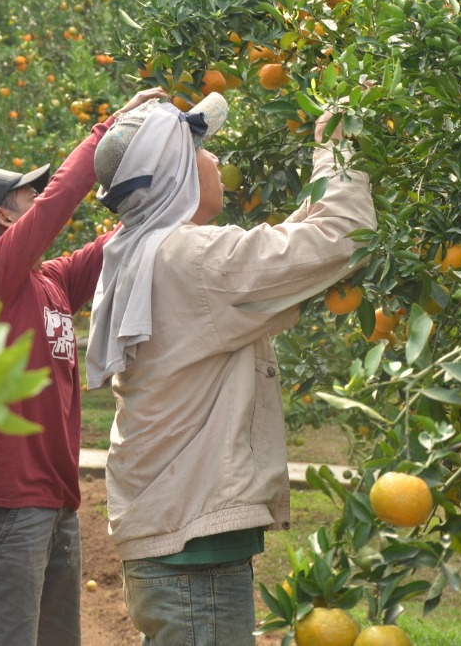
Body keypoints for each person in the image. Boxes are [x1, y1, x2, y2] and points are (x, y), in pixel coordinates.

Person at [86, 92, 377, 644]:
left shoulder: (148, 251)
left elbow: (284, 261)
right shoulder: (194, 260)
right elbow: (341, 237)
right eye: (201, 150)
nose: (216, 160)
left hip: (173, 541)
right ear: (174, 172)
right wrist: (336, 152)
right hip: (192, 560)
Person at [0, 86, 165, 646]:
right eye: (27, 195)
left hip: (54, 500)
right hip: (6, 506)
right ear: (3, 217)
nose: (38, 198)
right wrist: (111, 127)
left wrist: (165, 165)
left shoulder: (51, 280)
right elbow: (59, 202)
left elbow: (118, 242)